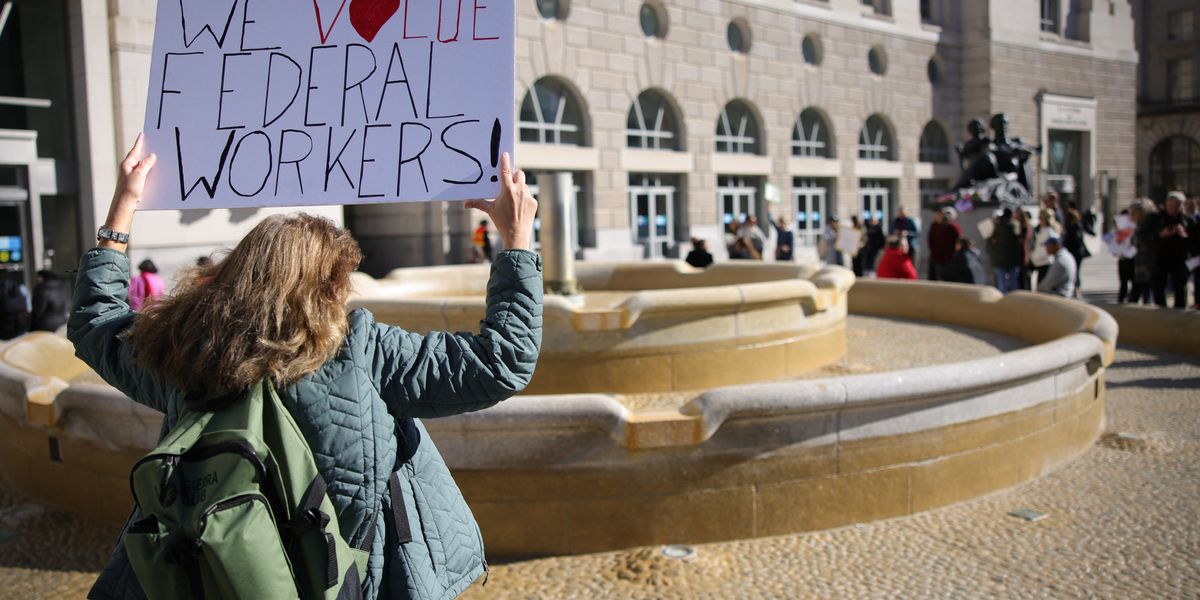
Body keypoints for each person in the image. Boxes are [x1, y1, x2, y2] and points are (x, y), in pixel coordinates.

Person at [71, 137, 542, 600]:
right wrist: (517, 241)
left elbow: (96, 323)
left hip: (223, 575)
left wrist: (123, 207)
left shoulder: (190, 353)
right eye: (341, 282)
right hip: (347, 581)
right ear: (326, 290)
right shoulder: (362, 351)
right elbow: (501, 360)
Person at [1150, 191, 1192, 309]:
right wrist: (1160, 235)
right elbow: (1145, 237)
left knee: (1180, 287)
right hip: (1159, 258)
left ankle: (1180, 311)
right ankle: (1161, 310)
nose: (1173, 209)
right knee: (1158, 286)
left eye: (1177, 206)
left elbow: (1195, 241)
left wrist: (1184, 235)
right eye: (1171, 206)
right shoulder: (1156, 218)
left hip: (1180, 258)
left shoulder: (1187, 220)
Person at [988, 209, 1024, 294]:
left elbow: (991, 242)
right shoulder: (1014, 225)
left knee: (1002, 283)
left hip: (999, 259)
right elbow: (1019, 240)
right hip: (1012, 259)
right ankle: (1014, 300)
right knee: (1013, 282)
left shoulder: (996, 227)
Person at [927, 207, 962, 281]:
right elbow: (931, 240)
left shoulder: (954, 227)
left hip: (949, 259)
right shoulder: (935, 225)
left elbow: (958, 241)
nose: (946, 216)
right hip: (936, 257)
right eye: (945, 214)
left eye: (949, 214)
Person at [1061, 206, 1090, 294]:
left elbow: (1074, 239)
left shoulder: (1075, 226)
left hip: (1075, 253)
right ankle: (1076, 288)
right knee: (1075, 271)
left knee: (1075, 271)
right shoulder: (1075, 226)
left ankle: (1076, 288)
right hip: (1075, 252)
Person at [1029, 209, 1062, 287]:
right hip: (1042, 263)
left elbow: (1044, 250)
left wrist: (1033, 257)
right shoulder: (1044, 231)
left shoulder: (1048, 232)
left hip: (1045, 263)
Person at [1, 272, 30, 340]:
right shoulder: (22, 289)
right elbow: (28, 307)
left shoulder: (3, 293)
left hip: (6, 328)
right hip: (21, 327)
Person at [1013, 208, 1034, 290]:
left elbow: (1026, 242)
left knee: (1024, 277)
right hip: (1022, 255)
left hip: (1023, 255)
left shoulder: (1025, 227)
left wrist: (1026, 256)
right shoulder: (1021, 227)